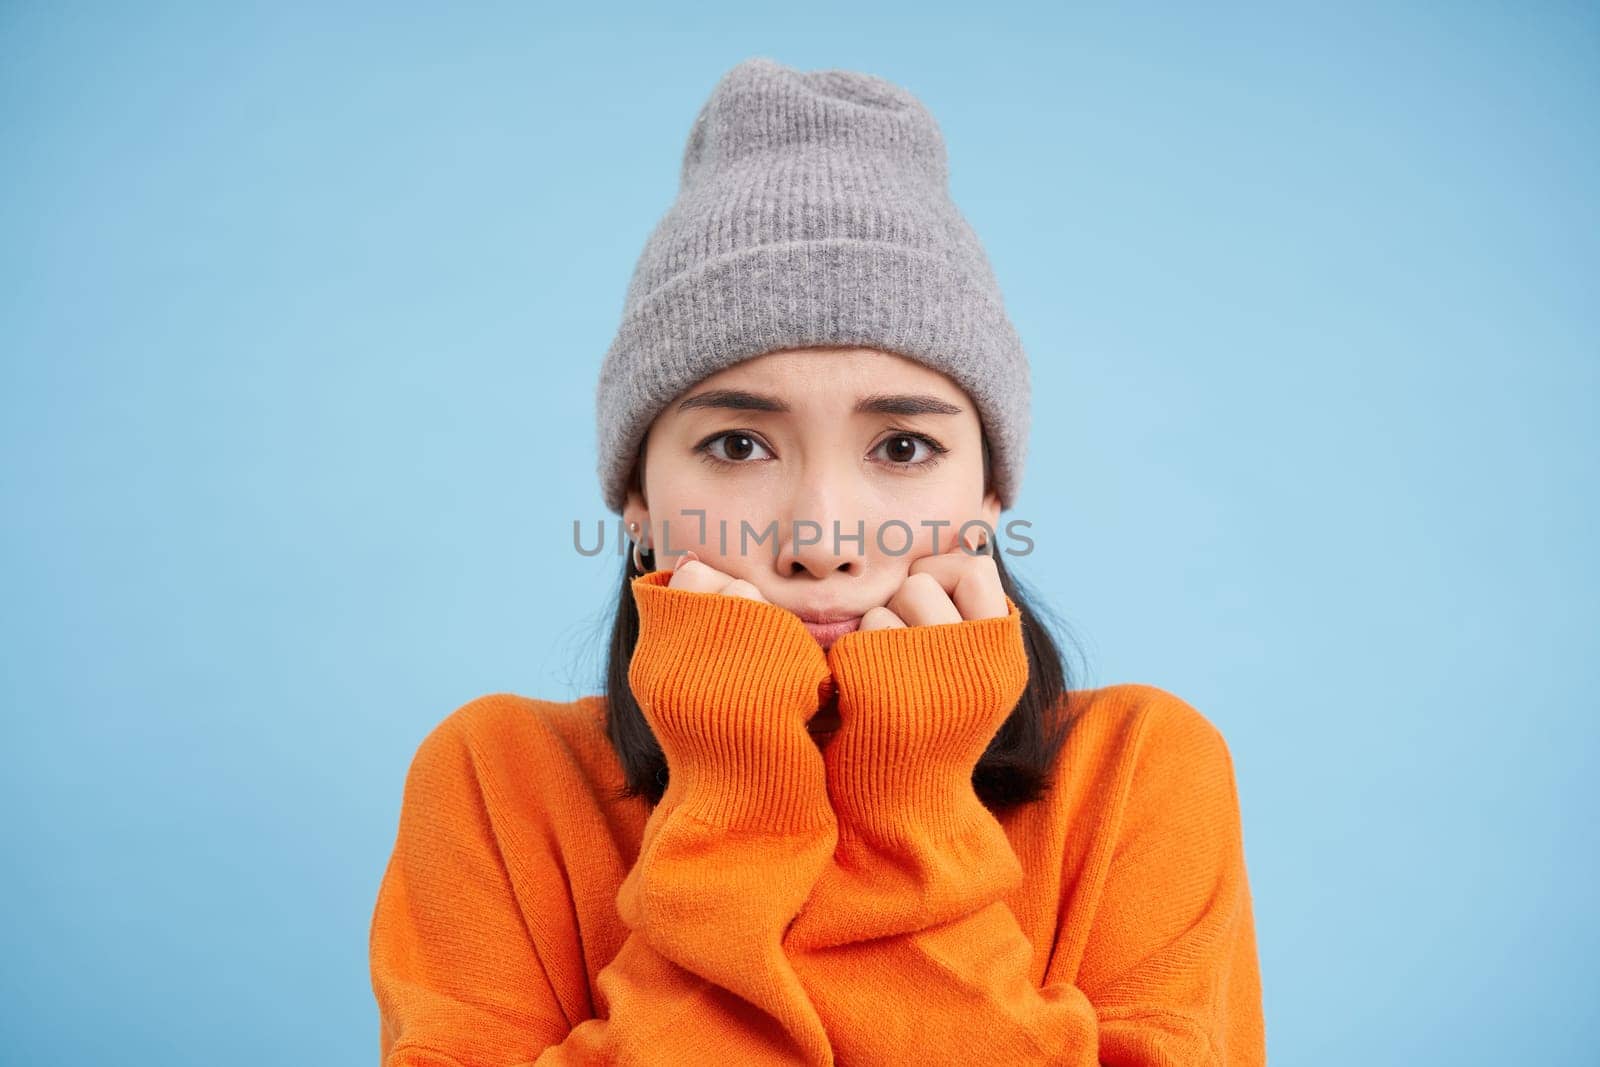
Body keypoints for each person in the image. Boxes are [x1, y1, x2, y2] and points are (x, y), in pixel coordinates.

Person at [368, 55, 1266, 1065]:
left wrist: (914, 815)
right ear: (636, 499)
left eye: (902, 446)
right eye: (738, 445)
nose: (823, 541)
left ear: (988, 495)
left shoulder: (1136, 770)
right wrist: (736, 798)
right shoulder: (501, 779)